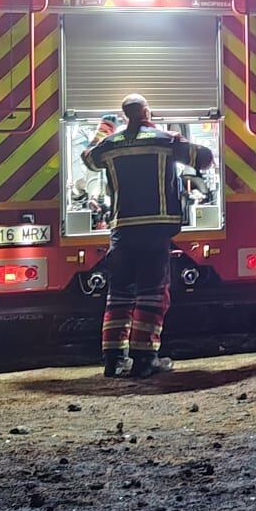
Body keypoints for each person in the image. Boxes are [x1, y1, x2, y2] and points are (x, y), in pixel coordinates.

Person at [81, 94, 214, 378]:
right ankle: (145, 360)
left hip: (122, 230)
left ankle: (113, 360)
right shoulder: (163, 140)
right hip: (155, 229)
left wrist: (104, 129)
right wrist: (179, 139)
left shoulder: (110, 144)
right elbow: (205, 159)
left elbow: (88, 159)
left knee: (118, 296)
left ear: (124, 115)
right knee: (152, 294)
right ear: (146, 112)